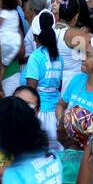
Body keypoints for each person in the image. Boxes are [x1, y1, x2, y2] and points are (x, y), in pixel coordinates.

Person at [24, 9, 63, 151]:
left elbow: (30, 90)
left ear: (36, 37)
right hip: (56, 113)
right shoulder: (58, 56)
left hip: (39, 114)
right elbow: (59, 85)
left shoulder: (35, 56)